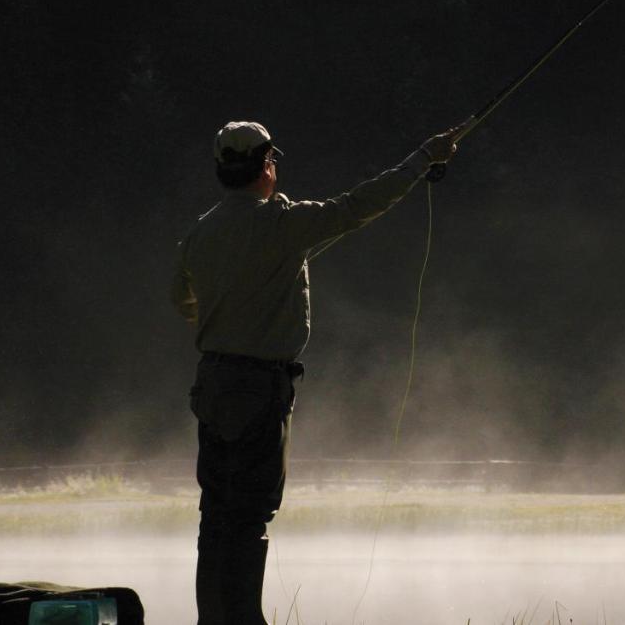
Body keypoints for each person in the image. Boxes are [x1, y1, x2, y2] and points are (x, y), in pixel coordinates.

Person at [170, 120, 463, 625]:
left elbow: (182, 300)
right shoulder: (282, 224)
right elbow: (356, 207)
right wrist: (421, 161)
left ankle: (213, 619)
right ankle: (242, 619)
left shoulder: (200, 231)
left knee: (216, 512)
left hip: (212, 385)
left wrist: (228, 311)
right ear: (265, 167)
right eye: (272, 162)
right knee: (250, 512)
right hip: (260, 388)